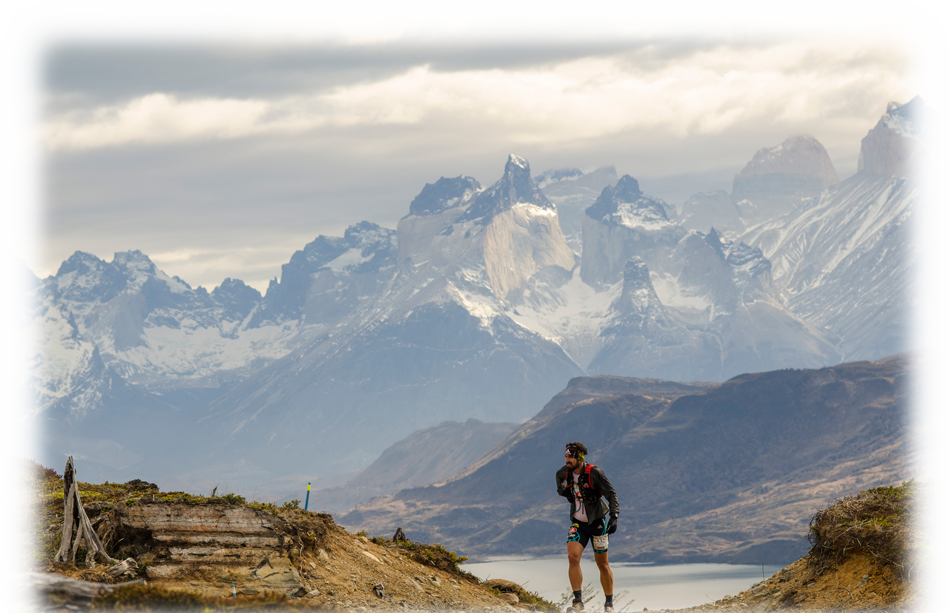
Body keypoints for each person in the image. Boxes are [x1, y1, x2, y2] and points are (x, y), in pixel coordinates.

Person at [556, 442, 619, 613]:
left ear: (579, 457)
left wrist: (614, 517)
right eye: (566, 456)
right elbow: (558, 477)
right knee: (572, 557)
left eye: (570, 456)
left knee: (603, 565)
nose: (567, 460)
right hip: (578, 524)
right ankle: (578, 602)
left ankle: (609, 604)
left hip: (598, 523)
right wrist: (563, 490)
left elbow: (611, 493)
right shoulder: (566, 472)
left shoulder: (594, 473)